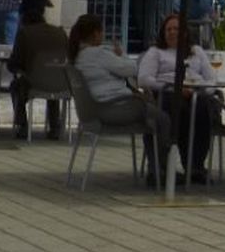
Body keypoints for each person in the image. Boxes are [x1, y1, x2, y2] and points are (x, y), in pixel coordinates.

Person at [69, 14, 172, 186]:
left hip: (94, 111)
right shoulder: (98, 53)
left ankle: (156, 168)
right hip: (114, 109)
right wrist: (122, 53)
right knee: (163, 119)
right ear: (95, 34)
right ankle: (162, 169)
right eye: (101, 32)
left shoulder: (79, 56)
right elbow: (131, 69)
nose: (103, 36)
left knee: (153, 115)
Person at [137, 13, 217, 183]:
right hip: (167, 93)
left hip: (196, 92)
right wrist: (175, 88)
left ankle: (195, 166)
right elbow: (144, 79)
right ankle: (164, 167)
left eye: (176, 29)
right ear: (163, 33)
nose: (172, 32)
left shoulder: (197, 52)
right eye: (168, 29)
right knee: (176, 110)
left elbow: (211, 79)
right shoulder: (156, 52)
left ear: (185, 33)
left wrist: (200, 90)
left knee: (204, 108)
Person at [7, 4, 68, 139]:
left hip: (35, 82)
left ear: (24, 22)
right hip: (61, 83)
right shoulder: (60, 32)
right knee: (52, 80)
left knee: (16, 87)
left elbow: (15, 62)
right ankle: (55, 127)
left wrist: (14, 68)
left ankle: (23, 126)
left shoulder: (25, 33)